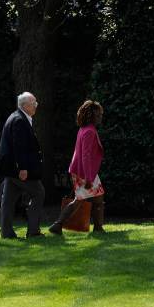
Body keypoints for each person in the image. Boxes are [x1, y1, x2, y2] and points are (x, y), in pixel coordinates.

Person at [49, 100, 105, 235]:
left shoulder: (84, 129)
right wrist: (88, 179)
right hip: (85, 172)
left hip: (82, 171)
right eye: (98, 115)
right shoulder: (89, 131)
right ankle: (57, 225)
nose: (100, 117)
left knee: (98, 198)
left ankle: (98, 228)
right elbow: (85, 156)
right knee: (79, 200)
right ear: (91, 116)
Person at [0, 92, 45, 239]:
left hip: (10, 168)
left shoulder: (16, 117)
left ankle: (6, 232)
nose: (36, 105)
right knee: (39, 192)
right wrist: (22, 168)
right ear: (25, 105)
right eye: (33, 103)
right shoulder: (19, 120)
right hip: (17, 168)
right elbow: (19, 147)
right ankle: (33, 231)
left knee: (8, 201)